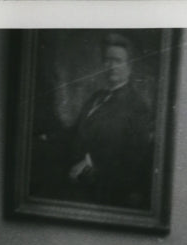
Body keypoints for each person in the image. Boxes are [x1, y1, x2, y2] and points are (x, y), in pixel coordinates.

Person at [66, 33, 153, 207]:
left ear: (130, 66)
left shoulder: (137, 106)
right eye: (108, 60)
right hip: (77, 176)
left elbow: (132, 157)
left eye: (118, 61)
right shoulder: (96, 97)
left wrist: (89, 163)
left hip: (106, 188)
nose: (112, 66)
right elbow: (75, 132)